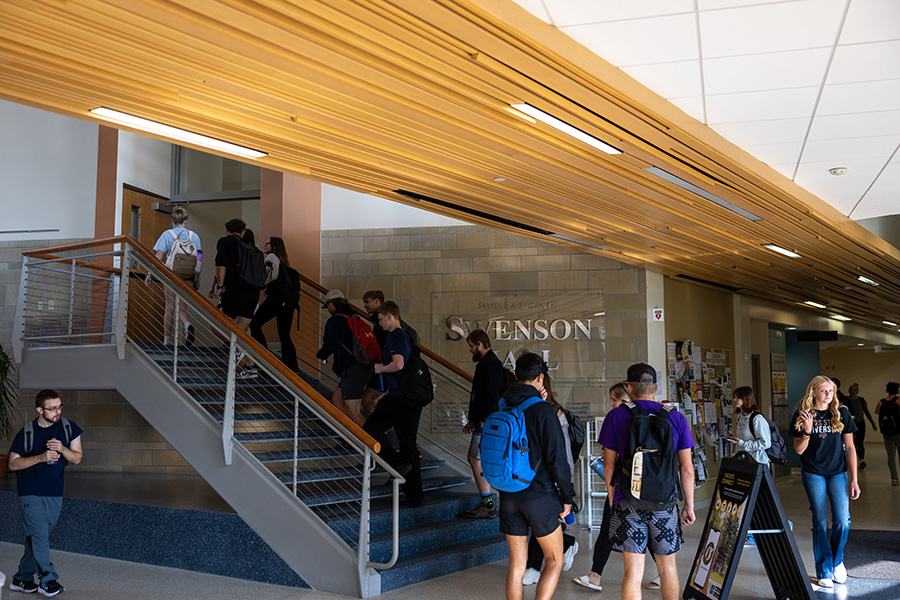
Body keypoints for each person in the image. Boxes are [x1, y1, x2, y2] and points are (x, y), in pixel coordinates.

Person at [598, 363, 695, 600]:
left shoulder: (616, 416)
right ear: (656, 388)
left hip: (628, 502)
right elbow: (687, 468)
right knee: (668, 568)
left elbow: (609, 466)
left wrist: (614, 501)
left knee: (633, 571)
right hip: (664, 503)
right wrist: (689, 505)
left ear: (630, 388)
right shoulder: (677, 418)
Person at [499, 353, 574, 600]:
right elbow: (557, 460)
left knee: (517, 565)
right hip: (539, 494)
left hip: (509, 493)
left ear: (516, 376)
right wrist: (567, 495)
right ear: (541, 377)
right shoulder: (544, 411)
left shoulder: (502, 404)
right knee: (554, 559)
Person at [7, 390, 84, 597]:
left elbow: (77, 458)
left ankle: (21, 578)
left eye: (59, 407)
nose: (57, 412)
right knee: (40, 535)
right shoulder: (27, 432)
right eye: (52, 409)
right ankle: (48, 580)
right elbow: (13, 463)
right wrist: (40, 457)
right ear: (40, 410)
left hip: (55, 492)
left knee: (38, 536)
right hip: (30, 491)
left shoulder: (69, 428)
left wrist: (62, 449)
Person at [791, 375, 859, 588]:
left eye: (831, 391)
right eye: (824, 391)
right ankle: (824, 570)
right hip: (813, 472)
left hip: (838, 472)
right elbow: (798, 450)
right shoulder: (803, 415)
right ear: (813, 392)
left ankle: (837, 561)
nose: (828, 395)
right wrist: (808, 431)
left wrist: (854, 479)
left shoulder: (842, 413)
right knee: (820, 520)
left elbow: (851, 448)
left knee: (842, 520)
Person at [362, 301, 424, 507]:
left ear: (389, 316)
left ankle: (397, 464)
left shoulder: (395, 335)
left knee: (370, 428)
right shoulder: (405, 336)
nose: (379, 324)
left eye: (380, 319)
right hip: (409, 396)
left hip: (400, 396)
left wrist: (379, 369)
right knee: (408, 443)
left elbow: (398, 364)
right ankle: (415, 494)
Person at [523, 373, 579, 584]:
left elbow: (563, 454)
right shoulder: (521, 407)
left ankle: (533, 567)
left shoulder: (554, 411)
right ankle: (566, 544)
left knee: (543, 523)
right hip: (528, 478)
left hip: (549, 479)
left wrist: (565, 487)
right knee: (541, 523)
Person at [462, 328, 507, 520]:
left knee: (475, 458)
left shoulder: (489, 365)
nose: (471, 350)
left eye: (472, 346)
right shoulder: (488, 364)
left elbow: (490, 394)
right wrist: (474, 419)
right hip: (485, 420)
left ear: (480, 344)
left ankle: (488, 504)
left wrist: (482, 419)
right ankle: (488, 502)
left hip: (488, 422)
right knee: (476, 458)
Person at [316, 290, 373, 428]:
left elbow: (330, 344)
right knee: (337, 399)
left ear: (331, 304)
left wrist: (321, 354)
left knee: (354, 411)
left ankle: (371, 445)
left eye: (327, 306)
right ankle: (353, 436)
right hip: (364, 366)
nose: (328, 310)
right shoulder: (354, 317)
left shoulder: (335, 320)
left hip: (353, 368)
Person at [213, 218, 260, 379]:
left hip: (235, 290)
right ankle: (250, 366)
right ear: (243, 232)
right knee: (240, 331)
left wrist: (219, 287)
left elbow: (221, 265)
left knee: (217, 325)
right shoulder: (251, 247)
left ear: (227, 231)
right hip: (252, 292)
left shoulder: (225, 242)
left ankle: (243, 353)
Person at [152, 206, 201, 346]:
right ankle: (187, 325)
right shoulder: (194, 236)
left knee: (170, 306)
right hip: (188, 276)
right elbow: (199, 259)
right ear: (186, 220)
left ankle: (166, 341)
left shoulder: (167, 235)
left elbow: (159, 256)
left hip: (171, 275)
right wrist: (197, 278)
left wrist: (150, 273)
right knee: (182, 308)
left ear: (173, 220)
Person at [249, 237, 298, 373]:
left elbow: (271, 276)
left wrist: (257, 284)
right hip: (288, 303)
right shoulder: (284, 262)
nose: (265, 245)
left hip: (275, 300)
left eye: (268, 243)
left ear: (275, 247)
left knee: (254, 324)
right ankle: (293, 369)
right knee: (284, 336)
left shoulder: (271, 257)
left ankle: (266, 358)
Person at [726, 386, 771, 465]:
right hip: (743, 462)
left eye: (737, 397)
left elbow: (765, 443)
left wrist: (743, 444)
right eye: (734, 397)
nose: (734, 400)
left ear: (745, 399)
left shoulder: (757, 419)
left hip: (757, 462)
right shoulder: (740, 418)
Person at [845, 383, 876, 470]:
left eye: (854, 390)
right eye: (851, 390)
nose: (852, 392)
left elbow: (866, 412)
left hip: (860, 423)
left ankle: (862, 460)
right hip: (850, 424)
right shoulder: (846, 400)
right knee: (852, 443)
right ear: (848, 391)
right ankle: (853, 460)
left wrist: (873, 423)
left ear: (857, 391)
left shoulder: (861, 400)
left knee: (860, 442)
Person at [874, 381, 900, 486]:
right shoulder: (898, 401)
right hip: (899, 432)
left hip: (887, 433)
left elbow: (878, 414)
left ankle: (894, 478)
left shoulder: (881, 402)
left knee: (891, 456)